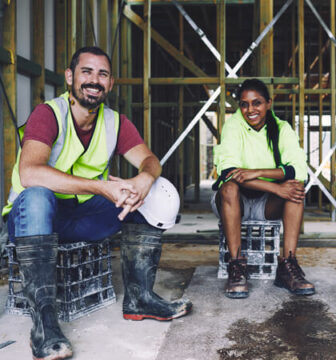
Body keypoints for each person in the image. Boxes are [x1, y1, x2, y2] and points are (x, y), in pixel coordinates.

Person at [2, 46, 192, 360]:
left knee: (160, 192)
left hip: (85, 215)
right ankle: (45, 326)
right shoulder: (48, 114)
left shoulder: (115, 122)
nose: (94, 80)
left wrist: (143, 179)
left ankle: (139, 298)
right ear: (70, 77)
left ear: (111, 83)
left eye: (102, 74)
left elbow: (148, 159)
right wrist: (100, 187)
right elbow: (30, 172)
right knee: (36, 196)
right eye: (86, 72)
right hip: (36, 221)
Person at [211, 78, 315, 299]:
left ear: (268, 103)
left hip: (266, 204)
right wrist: (277, 188)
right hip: (233, 201)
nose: (250, 110)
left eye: (256, 103)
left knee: (295, 188)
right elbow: (228, 172)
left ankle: (287, 265)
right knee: (229, 187)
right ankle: (237, 267)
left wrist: (257, 172)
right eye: (244, 104)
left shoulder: (281, 128)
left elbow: (299, 170)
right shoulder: (233, 126)